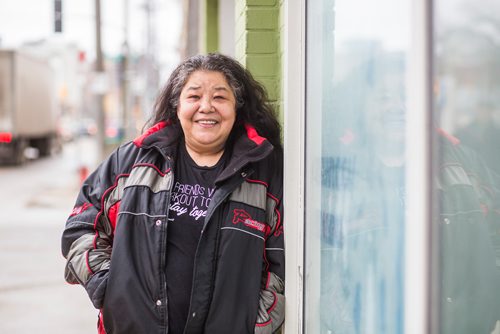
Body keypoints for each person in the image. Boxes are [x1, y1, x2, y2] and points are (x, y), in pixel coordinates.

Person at [61, 53, 285, 334]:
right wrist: (111, 287)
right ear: (177, 105)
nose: (206, 107)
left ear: (236, 108)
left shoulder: (263, 172)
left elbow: (282, 262)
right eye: (194, 97)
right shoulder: (131, 163)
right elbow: (80, 228)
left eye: (219, 97)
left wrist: (257, 324)